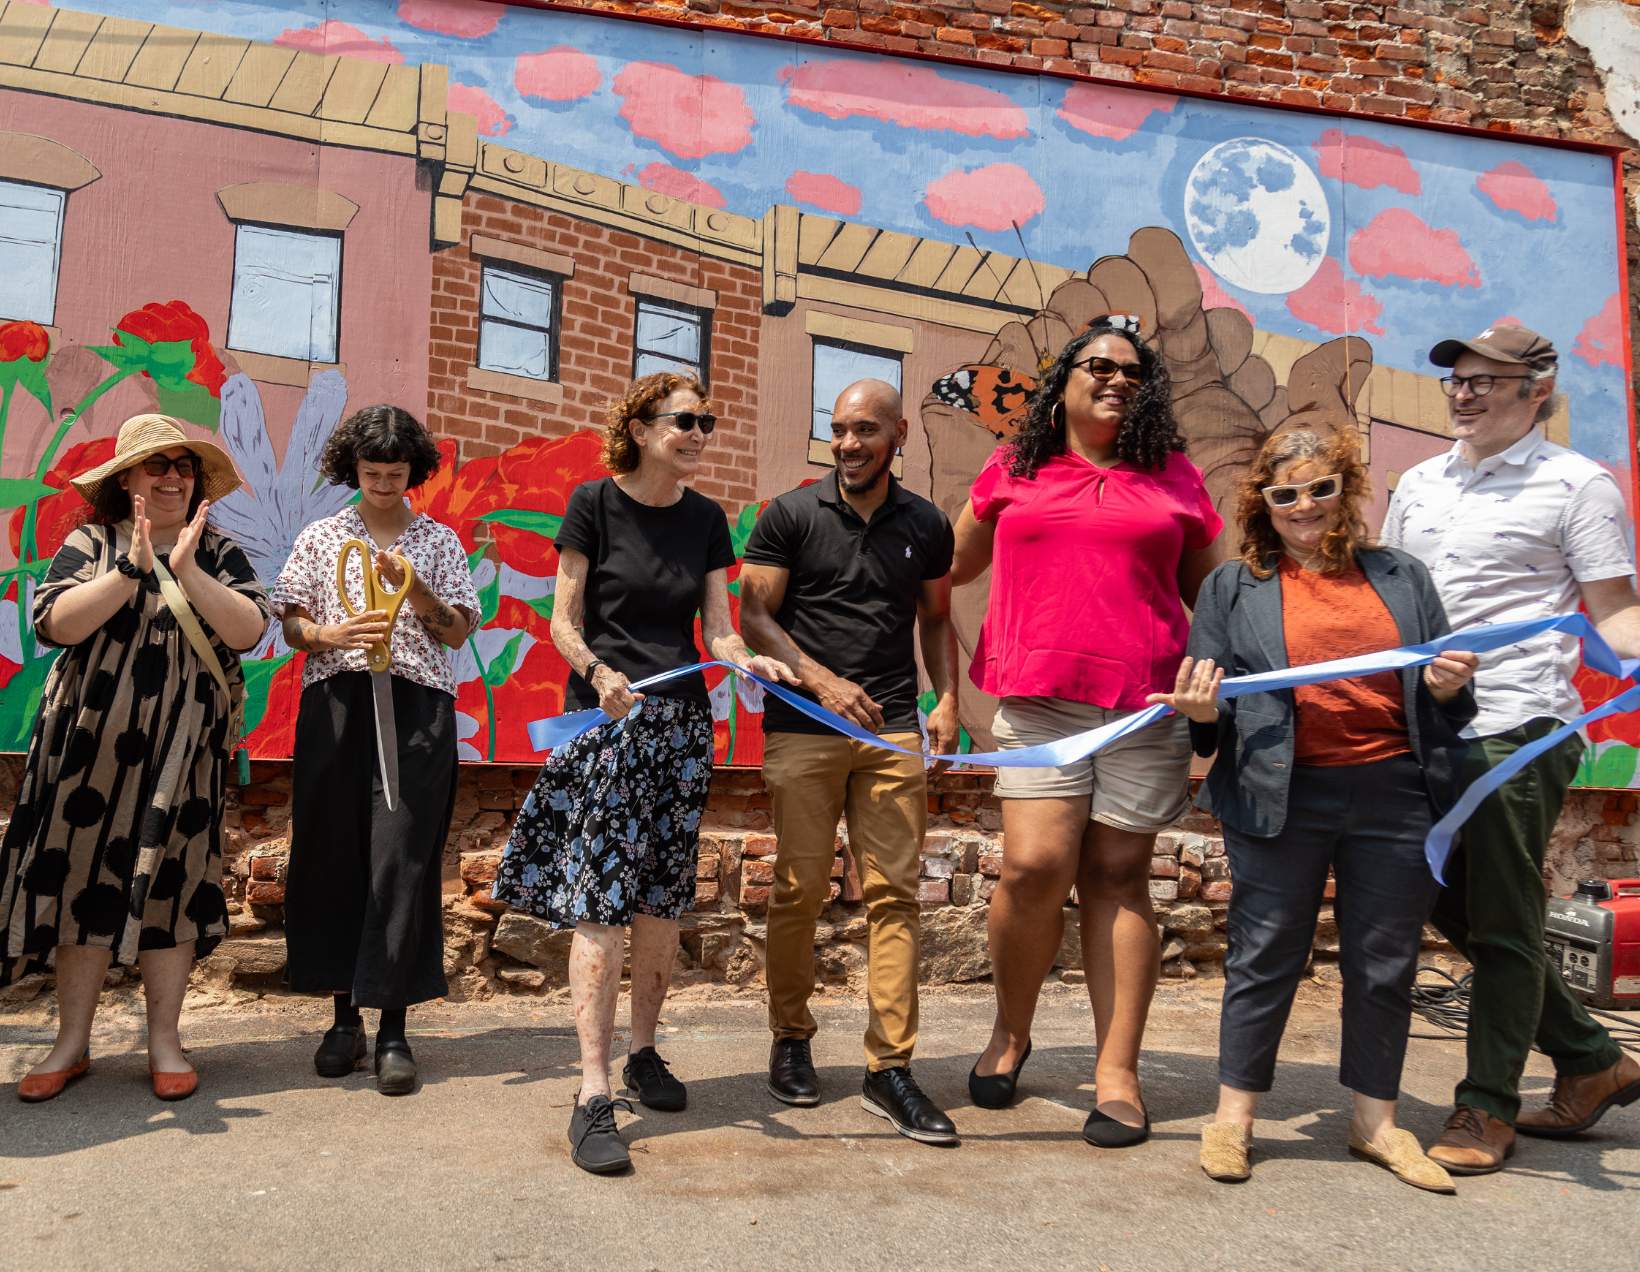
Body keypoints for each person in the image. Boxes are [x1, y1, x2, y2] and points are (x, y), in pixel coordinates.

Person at [1155, 428, 1476, 1191]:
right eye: (1286, 492)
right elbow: (1209, 723)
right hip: (1279, 793)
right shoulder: (1231, 588)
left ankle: (1376, 1121)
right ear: (1263, 502)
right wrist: (1199, 709)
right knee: (1264, 956)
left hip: (1396, 791)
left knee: (1385, 963)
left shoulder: (1403, 577)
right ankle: (1233, 1118)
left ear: (1348, 488)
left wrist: (1444, 686)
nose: (1305, 505)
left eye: (1321, 487)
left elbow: (1452, 702)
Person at [493, 373, 794, 1174]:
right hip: (607, 720)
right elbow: (562, 620)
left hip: (681, 726)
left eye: (708, 421)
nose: (699, 432)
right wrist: (597, 672)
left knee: (663, 894)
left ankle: (644, 1052)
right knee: (601, 898)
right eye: (685, 420)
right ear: (642, 425)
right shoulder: (594, 503)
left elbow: (720, 630)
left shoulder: (705, 520)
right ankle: (592, 1092)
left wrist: (748, 660)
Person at [948, 318, 1221, 1147]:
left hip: (1143, 706)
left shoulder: (1173, 475)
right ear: (1062, 380)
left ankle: (1118, 1073)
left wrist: (1215, 690)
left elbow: (1212, 598)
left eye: (1131, 373)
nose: (1113, 379)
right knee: (1033, 866)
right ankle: (1011, 1031)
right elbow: (948, 564)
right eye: (1096, 365)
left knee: (1117, 875)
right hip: (1039, 700)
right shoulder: (1015, 466)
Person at [1381, 325, 1640, 1175]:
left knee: (1500, 915)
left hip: (1517, 727)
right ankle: (1591, 1056)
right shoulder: (1418, 482)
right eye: (1456, 378)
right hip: (1423, 723)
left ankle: (1486, 1105)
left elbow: (1612, 609)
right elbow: (1388, 601)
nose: (1463, 393)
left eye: (1486, 380)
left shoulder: (1577, 486)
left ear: (1537, 390)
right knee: (1433, 892)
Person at [0, 414, 271, 1104]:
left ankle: (164, 1040)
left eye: (183, 466)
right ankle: (69, 1043)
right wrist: (134, 566)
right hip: (87, 746)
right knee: (80, 877)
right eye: (156, 465)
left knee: (171, 882)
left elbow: (249, 630)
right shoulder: (92, 542)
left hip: (183, 752)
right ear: (125, 480)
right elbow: (58, 622)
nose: (172, 476)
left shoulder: (219, 551)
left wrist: (187, 567)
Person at [738, 377, 959, 1146]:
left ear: (899, 434)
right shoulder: (791, 514)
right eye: (837, 429)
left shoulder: (927, 523)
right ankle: (791, 1037)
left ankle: (888, 1068)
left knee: (895, 895)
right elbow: (753, 613)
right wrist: (823, 682)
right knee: (799, 890)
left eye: (866, 429)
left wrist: (948, 701)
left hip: (894, 728)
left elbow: (936, 618)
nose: (848, 443)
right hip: (803, 724)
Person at [271, 405, 481, 1095]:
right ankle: (342, 1019)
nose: (385, 484)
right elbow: (293, 624)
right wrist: (331, 636)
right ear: (351, 471)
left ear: (413, 471)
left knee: (403, 859)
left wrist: (414, 588)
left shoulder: (440, 541)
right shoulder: (323, 535)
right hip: (336, 702)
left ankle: (393, 1025)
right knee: (334, 853)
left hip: (417, 709)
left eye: (396, 473)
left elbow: (454, 633)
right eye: (371, 473)